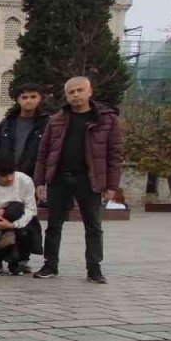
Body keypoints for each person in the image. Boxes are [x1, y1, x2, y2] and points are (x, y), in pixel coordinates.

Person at [33, 75, 122, 284]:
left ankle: (94, 269)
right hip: (59, 178)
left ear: (90, 92)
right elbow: (43, 153)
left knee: (93, 225)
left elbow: (115, 154)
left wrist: (111, 185)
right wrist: (39, 182)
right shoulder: (56, 120)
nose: (75, 95)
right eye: (71, 92)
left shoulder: (107, 119)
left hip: (89, 179)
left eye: (80, 90)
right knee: (54, 224)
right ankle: (50, 265)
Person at [0, 153, 38, 275]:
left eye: (12, 174)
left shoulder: (25, 181)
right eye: (4, 176)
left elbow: (31, 209)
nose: (9, 178)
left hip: (19, 218)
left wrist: (12, 225)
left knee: (16, 209)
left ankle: (15, 261)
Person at [0, 84, 48, 177]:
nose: (28, 100)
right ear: (18, 100)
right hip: (7, 176)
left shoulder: (46, 124)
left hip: (32, 177)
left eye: (33, 97)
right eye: (24, 97)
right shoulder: (7, 122)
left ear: (40, 98)